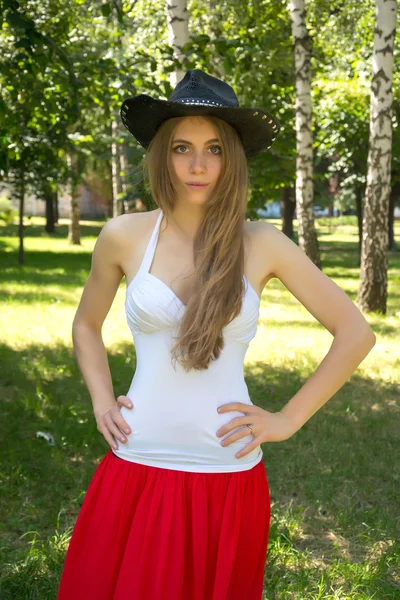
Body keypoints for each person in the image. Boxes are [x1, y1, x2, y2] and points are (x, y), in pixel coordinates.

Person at [57, 69, 376, 600]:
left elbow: (355, 333)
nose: (198, 165)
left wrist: (287, 419)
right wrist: (99, 400)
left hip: (226, 473)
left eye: (214, 150)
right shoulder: (123, 235)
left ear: (232, 159)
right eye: (182, 147)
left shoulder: (262, 242)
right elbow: (86, 326)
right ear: (162, 154)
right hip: (137, 464)